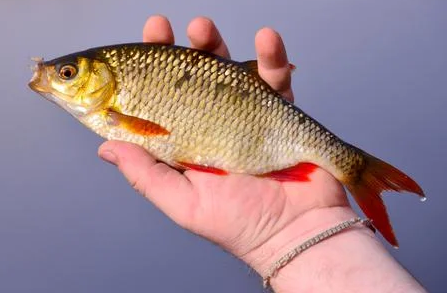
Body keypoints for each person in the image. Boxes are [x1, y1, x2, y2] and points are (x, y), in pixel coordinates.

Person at [97, 15, 426, 293]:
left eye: (68, 74)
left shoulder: (111, 111)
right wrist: (288, 240)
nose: (57, 77)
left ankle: (355, 172)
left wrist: (305, 232)